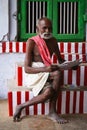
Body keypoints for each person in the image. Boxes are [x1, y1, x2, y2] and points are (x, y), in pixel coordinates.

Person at [13, 17, 78, 123]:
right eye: (44, 28)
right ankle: (53, 111)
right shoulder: (32, 42)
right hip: (35, 74)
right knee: (57, 73)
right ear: (37, 29)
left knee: (49, 93)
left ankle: (21, 106)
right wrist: (45, 68)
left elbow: (60, 60)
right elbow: (27, 69)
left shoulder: (53, 41)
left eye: (50, 28)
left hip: (46, 74)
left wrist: (72, 65)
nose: (47, 31)